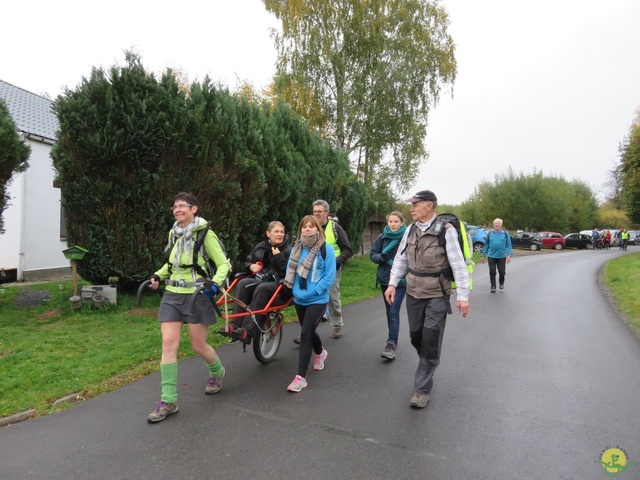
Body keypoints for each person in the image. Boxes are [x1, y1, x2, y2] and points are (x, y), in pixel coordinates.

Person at [146, 192, 230, 423]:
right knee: (168, 343)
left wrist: (214, 284)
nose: (178, 209)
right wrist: (158, 276)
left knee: (198, 345)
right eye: (175, 206)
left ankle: (217, 371)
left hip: (197, 294)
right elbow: (171, 263)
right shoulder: (174, 233)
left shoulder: (205, 234)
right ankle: (168, 400)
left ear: (195, 209)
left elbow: (224, 264)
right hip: (173, 293)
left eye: (183, 206)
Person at [384, 190, 470, 409]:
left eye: (416, 204)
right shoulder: (410, 230)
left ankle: (422, 388)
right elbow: (401, 259)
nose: (411, 208)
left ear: (429, 206)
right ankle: (429, 360)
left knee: (430, 335)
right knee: (416, 335)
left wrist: (462, 296)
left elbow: (458, 264)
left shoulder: (447, 231)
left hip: (437, 294)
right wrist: (393, 283)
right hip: (413, 291)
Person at [284, 215, 336, 392]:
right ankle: (321, 353)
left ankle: (301, 377)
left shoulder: (326, 250)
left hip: (318, 299)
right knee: (310, 330)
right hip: (299, 298)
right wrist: (296, 292)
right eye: (304, 227)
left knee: (305, 332)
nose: (307, 229)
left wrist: (312, 292)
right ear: (300, 230)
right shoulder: (296, 249)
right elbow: (291, 273)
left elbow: (329, 277)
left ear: (317, 229)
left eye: (311, 226)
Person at [223, 221, 292, 342]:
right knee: (242, 283)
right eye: (276, 231)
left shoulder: (288, 250)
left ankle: (248, 331)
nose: (280, 234)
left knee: (262, 288)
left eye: (282, 232)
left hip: (279, 283)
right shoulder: (261, 246)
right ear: (268, 233)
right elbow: (248, 260)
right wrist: (251, 266)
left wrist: (279, 257)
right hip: (260, 278)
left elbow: (290, 272)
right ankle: (235, 325)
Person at [311, 200, 352, 338]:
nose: (316, 214)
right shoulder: (310, 227)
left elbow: (347, 249)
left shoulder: (335, 228)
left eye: (319, 212)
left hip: (333, 267)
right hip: (314, 268)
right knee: (313, 297)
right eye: (314, 211)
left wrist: (337, 261)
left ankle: (337, 325)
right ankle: (308, 331)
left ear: (326, 213)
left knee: (332, 297)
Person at [370, 211, 408, 360]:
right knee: (389, 311)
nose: (392, 224)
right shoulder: (382, 237)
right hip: (385, 279)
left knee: (393, 310)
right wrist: (381, 257)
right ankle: (392, 337)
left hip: (401, 281)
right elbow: (373, 254)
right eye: (390, 221)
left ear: (402, 222)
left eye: (396, 221)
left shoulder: (407, 237)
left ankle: (391, 344)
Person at [481, 218, 512, 293]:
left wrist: (509, 255)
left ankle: (501, 282)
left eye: (498, 223)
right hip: (492, 256)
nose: (496, 225)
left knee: (502, 272)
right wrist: (483, 255)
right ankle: (493, 286)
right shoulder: (490, 233)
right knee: (492, 272)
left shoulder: (505, 234)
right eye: (495, 223)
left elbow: (508, 245)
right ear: (493, 225)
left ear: (501, 225)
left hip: (501, 256)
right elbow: (486, 245)